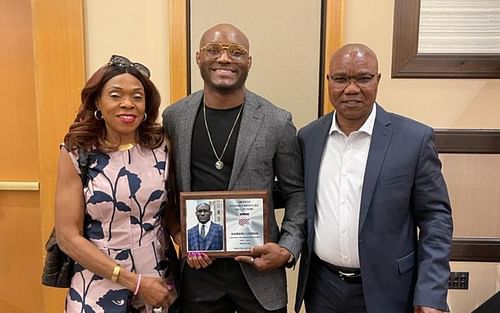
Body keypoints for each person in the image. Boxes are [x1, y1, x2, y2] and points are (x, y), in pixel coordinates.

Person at [295, 43, 453, 313]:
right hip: (322, 289)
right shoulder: (308, 138)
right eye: (342, 79)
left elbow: (436, 220)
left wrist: (430, 292)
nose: (352, 88)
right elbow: (296, 200)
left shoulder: (414, 140)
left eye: (363, 78)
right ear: (329, 81)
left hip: (390, 290)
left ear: (377, 80)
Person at [163, 23, 306, 313]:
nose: (225, 59)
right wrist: (180, 235)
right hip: (198, 272)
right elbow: (167, 187)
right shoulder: (175, 117)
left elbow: (297, 193)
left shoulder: (276, 121)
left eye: (236, 52)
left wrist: (287, 248)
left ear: (248, 62)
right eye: (214, 50)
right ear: (198, 57)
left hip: (259, 270)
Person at [55, 55, 179, 313]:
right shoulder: (76, 153)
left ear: (147, 105)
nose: (127, 104)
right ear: (98, 102)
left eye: (137, 96)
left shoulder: (162, 147)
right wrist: (133, 282)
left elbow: (169, 213)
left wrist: (191, 242)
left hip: (158, 284)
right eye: (115, 95)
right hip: (96, 285)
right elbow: (67, 237)